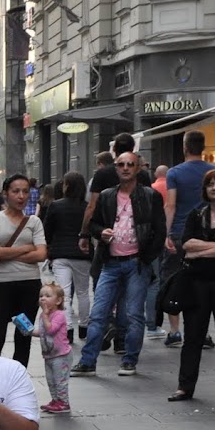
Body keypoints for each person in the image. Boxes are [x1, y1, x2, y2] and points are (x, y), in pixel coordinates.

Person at [70, 152, 165, 379]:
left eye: (130, 164)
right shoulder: (106, 196)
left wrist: (146, 258)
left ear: (138, 168)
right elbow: (94, 224)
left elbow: (160, 231)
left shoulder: (150, 196)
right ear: (115, 168)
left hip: (136, 263)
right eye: (120, 164)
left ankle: (130, 360)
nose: (125, 168)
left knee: (134, 314)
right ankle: (88, 361)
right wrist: (99, 232)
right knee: (98, 313)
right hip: (110, 262)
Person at [169, 168, 215, 402]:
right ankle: (185, 386)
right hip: (197, 282)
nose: (214, 187)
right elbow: (186, 244)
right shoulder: (195, 214)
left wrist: (200, 251)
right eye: (210, 184)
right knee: (193, 335)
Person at [0, 174, 47, 367]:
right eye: (15, 191)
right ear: (5, 194)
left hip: (29, 284)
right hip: (1, 285)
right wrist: (27, 248)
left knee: (23, 335)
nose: (21, 196)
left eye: (25, 191)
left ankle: (18, 380)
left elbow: (42, 254)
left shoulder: (34, 222)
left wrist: (6, 253)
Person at [161, 131, 215, 348]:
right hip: (207, 234)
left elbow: (171, 205)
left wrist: (166, 233)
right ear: (202, 148)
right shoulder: (214, 171)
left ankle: (175, 332)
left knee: (174, 280)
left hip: (180, 233)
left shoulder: (174, 173)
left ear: (185, 147)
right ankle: (203, 333)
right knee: (204, 282)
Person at [42, 171, 92, 342]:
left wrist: (48, 248)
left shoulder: (56, 206)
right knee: (83, 292)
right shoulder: (87, 206)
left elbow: (47, 230)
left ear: (67, 186)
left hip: (61, 254)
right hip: (82, 254)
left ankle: (68, 330)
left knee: (64, 294)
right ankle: (84, 327)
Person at [28, 281, 71, 414]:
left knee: (60, 380)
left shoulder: (59, 315)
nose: (43, 298)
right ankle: (55, 400)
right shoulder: (43, 316)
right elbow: (43, 332)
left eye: (47, 296)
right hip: (49, 354)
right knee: (51, 380)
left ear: (58, 301)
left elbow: (51, 330)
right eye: (41, 296)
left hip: (61, 355)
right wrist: (29, 331)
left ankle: (64, 403)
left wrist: (46, 315)